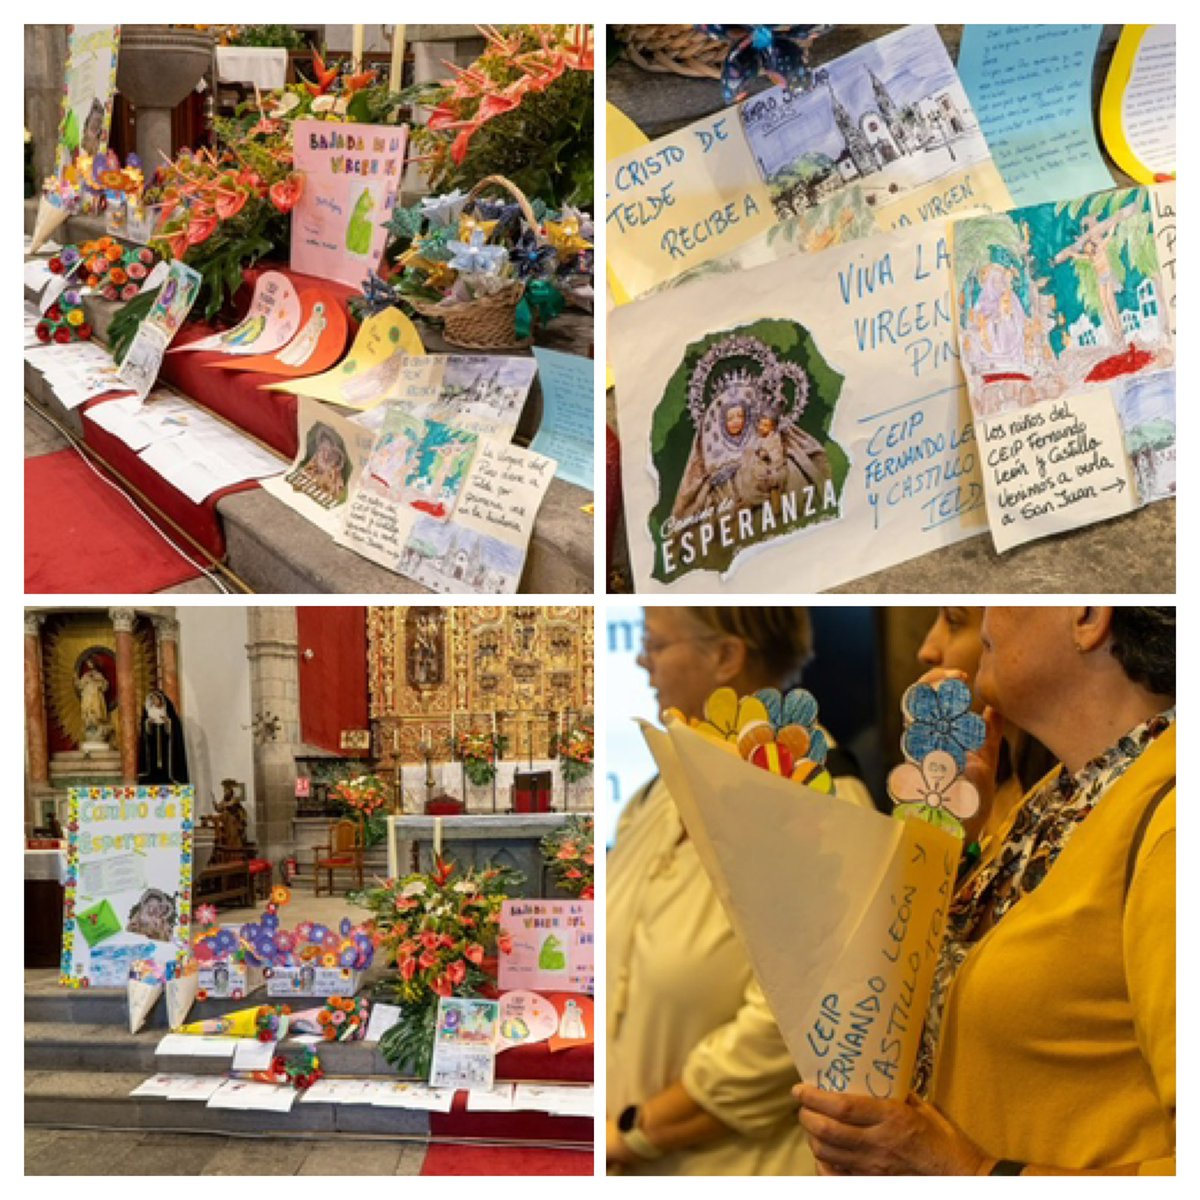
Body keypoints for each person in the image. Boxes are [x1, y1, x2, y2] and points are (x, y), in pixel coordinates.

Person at [796, 606, 1175, 1175]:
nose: (987, 618)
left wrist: (972, 1172)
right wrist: (951, 845)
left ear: (1089, 615)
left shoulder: (1170, 826)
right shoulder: (1061, 795)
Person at [607, 607, 872, 1175]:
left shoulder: (820, 798)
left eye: (655, 644)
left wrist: (640, 1131)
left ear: (726, 656)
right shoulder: (656, 791)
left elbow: (801, 1022)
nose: (642, 660)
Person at [137, 689, 190, 785]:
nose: (154, 701)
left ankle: (168, 776)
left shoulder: (168, 710)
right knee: (153, 758)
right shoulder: (149, 710)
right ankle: (152, 776)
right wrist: (148, 723)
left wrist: (168, 722)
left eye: (156, 699)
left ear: (161, 699)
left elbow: (175, 728)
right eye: (153, 699)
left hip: (166, 740)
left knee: (166, 759)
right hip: (153, 740)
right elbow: (145, 731)